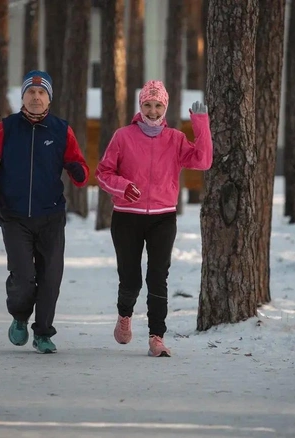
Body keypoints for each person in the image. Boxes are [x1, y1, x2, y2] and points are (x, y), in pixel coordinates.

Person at [96, 80, 212, 357]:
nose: (152, 110)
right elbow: (103, 173)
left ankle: (156, 337)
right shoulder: (123, 136)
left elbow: (203, 161)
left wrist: (201, 124)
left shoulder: (175, 139)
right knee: (131, 279)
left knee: (158, 277)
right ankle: (125, 315)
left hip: (163, 217)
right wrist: (123, 187)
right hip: (127, 217)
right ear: (140, 106)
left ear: (165, 107)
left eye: (158, 105)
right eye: (147, 104)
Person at [0, 70, 89, 354]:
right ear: (23, 97)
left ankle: (43, 333)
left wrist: (78, 172)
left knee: (51, 275)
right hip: (14, 215)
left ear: (49, 98)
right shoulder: (7, 128)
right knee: (23, 275)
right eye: (31, 92)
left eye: (41, 93)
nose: (36, 97)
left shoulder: (61, 130)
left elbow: (80, 168)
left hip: (50, 215)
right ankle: (19, 315)